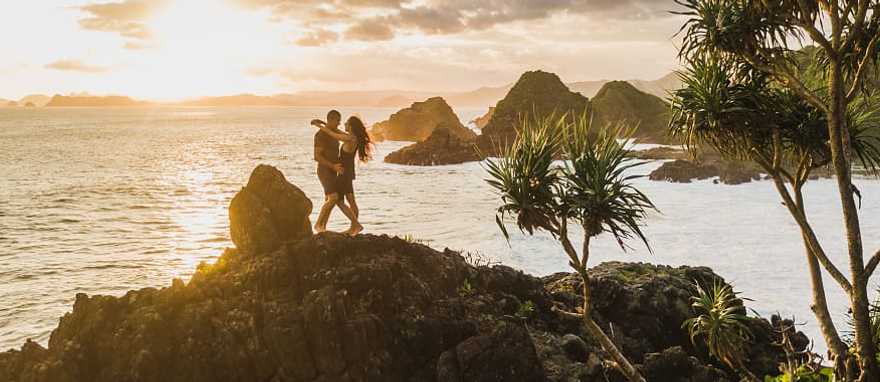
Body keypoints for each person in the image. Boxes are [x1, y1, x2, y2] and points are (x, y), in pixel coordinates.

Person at [311, 115, 373, 235]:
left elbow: (333, 134)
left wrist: (318, 126)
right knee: (351, 200)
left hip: (344, 173)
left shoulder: (349, 138)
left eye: (346, 123)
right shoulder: (352, 137)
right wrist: (325, 123)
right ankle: (354, 228)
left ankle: (355, 225)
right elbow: (336, 131)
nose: (343, 124)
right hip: (349, 172)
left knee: (338, 201)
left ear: (351, 127)